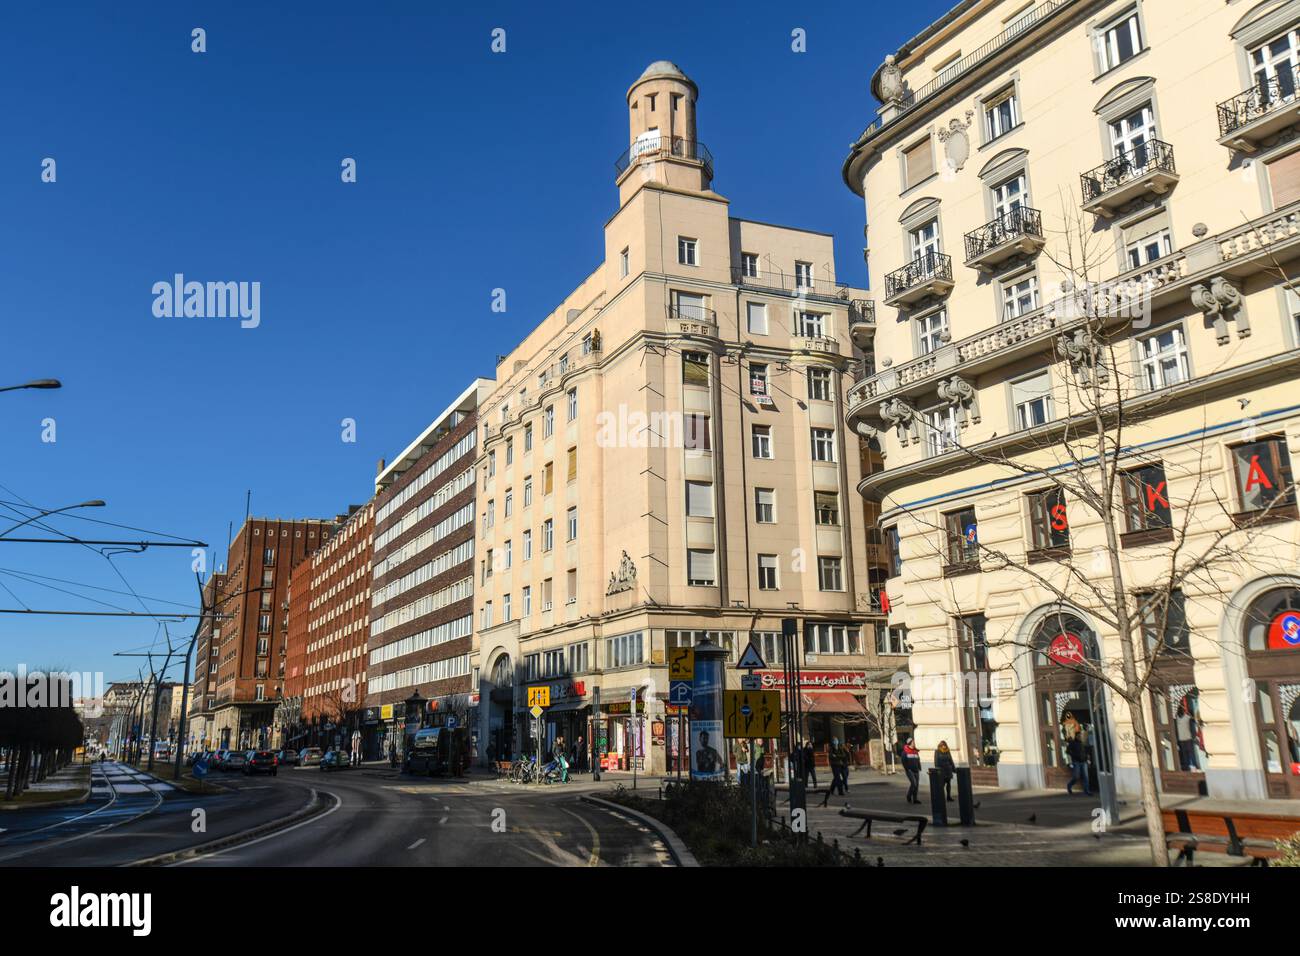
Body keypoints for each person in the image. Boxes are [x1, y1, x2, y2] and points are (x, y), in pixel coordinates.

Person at [1174, 706, 1199, 771]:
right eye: (1178, 710)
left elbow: (1193, 719)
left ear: (1183, 710)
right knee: (1184, 755)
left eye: (1181, 710)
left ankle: (1194, 767)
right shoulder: (1176, 719)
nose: (1179, 711)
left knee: (1191, 754)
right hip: (1181, 740)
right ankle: (1187, 768)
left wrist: (1194, 736)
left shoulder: (1187, 717)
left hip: (1188, 739)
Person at [901, 738, 922, 804]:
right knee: (914, 783)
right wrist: (907, 769)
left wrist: (919, 767)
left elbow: (918, 760)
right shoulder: (905, 752)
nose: (914, 743)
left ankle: (915, 799)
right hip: (910, 770)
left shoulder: (915, 751)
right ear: (910, 743)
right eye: (913, 742)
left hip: (916, 770)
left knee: (916, 785)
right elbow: (903, 761)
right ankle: (909, 796)